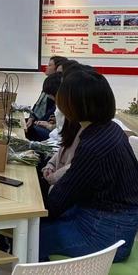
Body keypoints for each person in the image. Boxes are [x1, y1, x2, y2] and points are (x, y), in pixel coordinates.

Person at [39, 70, 138, 262]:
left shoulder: (94, 145)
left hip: (106, 233)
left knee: (33, 236)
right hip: (112, 221)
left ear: (75, 104)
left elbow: (59, 200)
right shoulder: (109, 129)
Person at [25, 72, 62, 141]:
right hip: (49, 126)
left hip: (57, 137)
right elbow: (37, 104)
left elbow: (62, 131)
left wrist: (49, 125)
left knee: (32, 129)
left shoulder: (63, 105)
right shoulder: (50, 90)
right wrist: (31, 117)